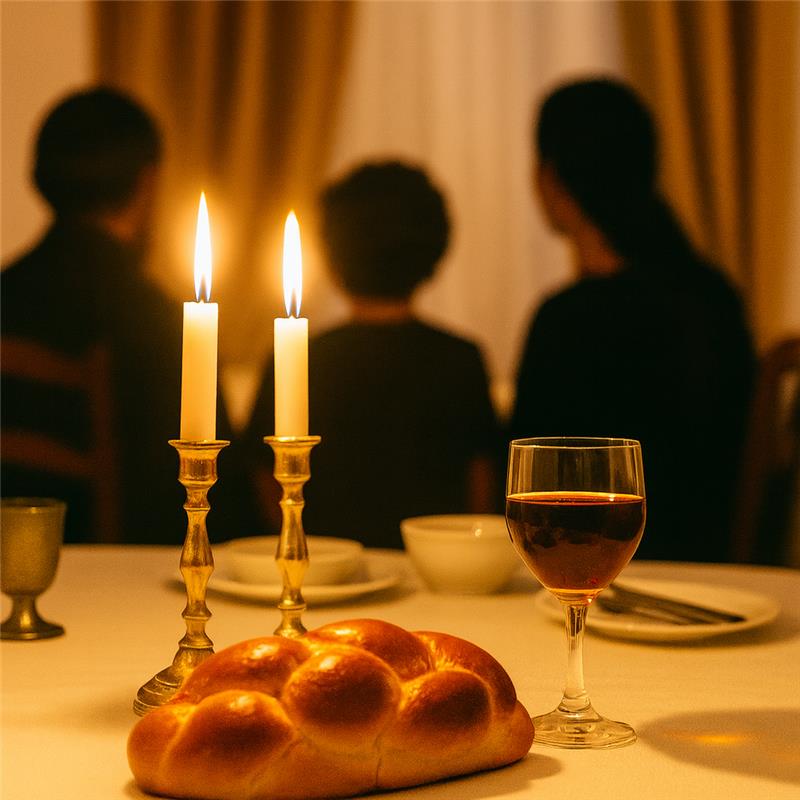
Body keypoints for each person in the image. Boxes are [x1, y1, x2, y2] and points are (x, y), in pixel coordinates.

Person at [510, 78, 756, 563]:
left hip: (593, 574)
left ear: (550, 177)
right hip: (721, 572)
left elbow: (527, 482)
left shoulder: (566, 321)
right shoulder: (714, 296)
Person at [1, 87, 255, 543]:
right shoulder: (154, 320)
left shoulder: (6, 292)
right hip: (112, 576)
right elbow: (215, 499)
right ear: (147, 182)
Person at [246, 161, 501, 549]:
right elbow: (481, 486)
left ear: (334, 255)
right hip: (431, 565)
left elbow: (264, 477)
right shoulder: (460, 359)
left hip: (318, 563)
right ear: (434, 252)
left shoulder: (297, 354)